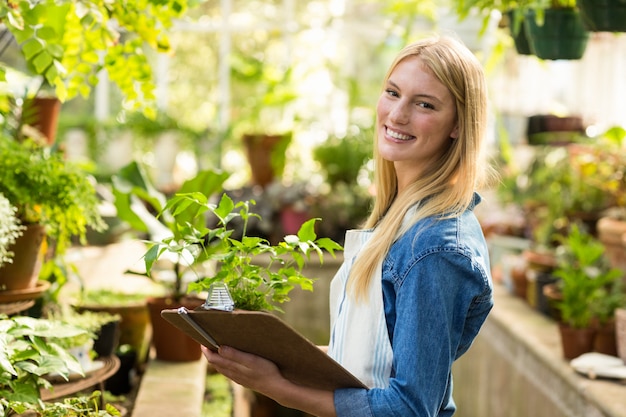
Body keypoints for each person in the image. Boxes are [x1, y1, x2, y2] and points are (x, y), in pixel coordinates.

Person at [203, 33, 496, 417]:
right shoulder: (400, 218)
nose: (397, 115)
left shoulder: (437, 248)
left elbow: (408, 408)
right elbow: (367, 364)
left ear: (458, 125)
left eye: (424, 104)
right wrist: (272, 358)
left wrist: (277, 389)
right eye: (393, 93)